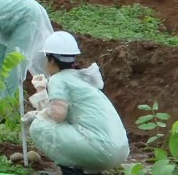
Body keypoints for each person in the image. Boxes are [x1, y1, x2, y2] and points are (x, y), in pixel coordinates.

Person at [23, 31, 129, 175]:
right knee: (49, 123)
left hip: (100, 150)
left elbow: (57, 114)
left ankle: (72, 172)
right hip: (119, 150)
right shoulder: (80, 77)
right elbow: (58, 113)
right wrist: (41, 90)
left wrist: (37, 115)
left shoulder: (59, 79)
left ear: (51, 60)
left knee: (38, 126)